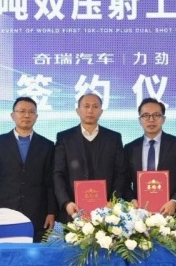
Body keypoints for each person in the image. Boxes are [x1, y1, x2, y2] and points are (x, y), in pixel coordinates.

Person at [0, 97, 56, 242]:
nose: (26, 115)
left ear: (36, 116)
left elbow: (50, 183)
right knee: (7, 253)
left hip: (38, 214)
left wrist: (51, 212)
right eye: (22, 111)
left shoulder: (47, 145)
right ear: (13, 115)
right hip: (5, 214)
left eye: (31, 112)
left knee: (36, 253)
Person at [53, 93, 126, 222]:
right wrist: (66, 202)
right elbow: (58, 174)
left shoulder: (113, 138)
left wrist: (113, 201)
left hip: (107, 211)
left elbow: (120, 173)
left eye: (95, 107)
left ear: (101, 111)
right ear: (78, 111)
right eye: (86, 106)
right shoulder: (64, 138)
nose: (90, 110)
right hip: (74, 210)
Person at [124, 98, 176, 218]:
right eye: (145, 115)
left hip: (172, 213)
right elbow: (124, 181)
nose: (151, 119)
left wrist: (174, 202)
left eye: (156, 115)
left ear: (163, 119)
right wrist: (132, 200)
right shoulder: (130, 148)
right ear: (139, 120)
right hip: (139, 214)